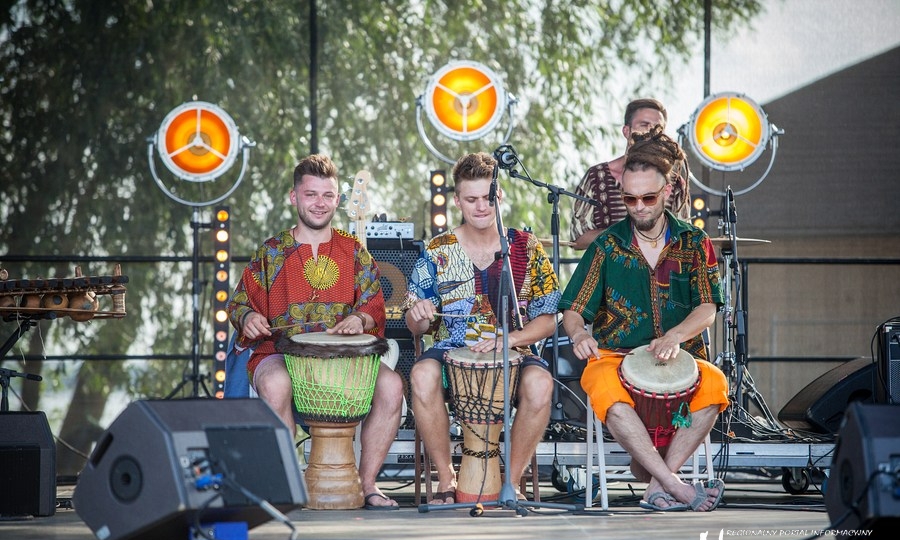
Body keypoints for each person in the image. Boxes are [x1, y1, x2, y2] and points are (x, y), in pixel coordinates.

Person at [559, 127, 729, 512]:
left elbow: (707, 308)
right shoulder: (607, 245)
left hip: (683, 355)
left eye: (648, 198)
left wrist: (675, 335)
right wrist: (578, 334)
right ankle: (674, 485)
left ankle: (656, 485)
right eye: (630, 199)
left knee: (716, 384)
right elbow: (574, 309)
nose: (639, 207)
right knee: (601, 385)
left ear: (667, 191)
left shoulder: (694, 243)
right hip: (615, 357)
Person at [227, 153, 402, 510]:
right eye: (311, 194)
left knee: (392, 386)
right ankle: (286, 486)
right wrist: (248, 318)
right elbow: (239, 303)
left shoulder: (353, 251)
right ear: (294, 197)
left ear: (337, 200)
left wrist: (360, 319)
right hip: (279, 353)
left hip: (344, 359)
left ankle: (367, 484)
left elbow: (374, 304)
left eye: (327, 195)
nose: (319, 203)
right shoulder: (271, 252)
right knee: (276, 384)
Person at [405, 152, 559, 505]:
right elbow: (415, 323)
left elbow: (549, 319)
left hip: (515, 350)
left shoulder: (526, 246)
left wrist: (511, 339)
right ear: (457, 201)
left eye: (487, 198)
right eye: (471, 199)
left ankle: (512, 482)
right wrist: (420, 313)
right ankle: (446, 478)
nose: (481, 207)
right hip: (451, 351)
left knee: (540, 384)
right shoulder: (438, 249)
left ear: (499, 196)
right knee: (422, 376)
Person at [569, 98, 690, 250]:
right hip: (608, 265)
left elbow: (685, 238)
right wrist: (624, 234)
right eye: (644, 125)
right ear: (626, 131)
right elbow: (578, 239)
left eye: (658, 127)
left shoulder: (675, 182)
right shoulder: (596, 176)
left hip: (659, 265)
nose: (651, 131)